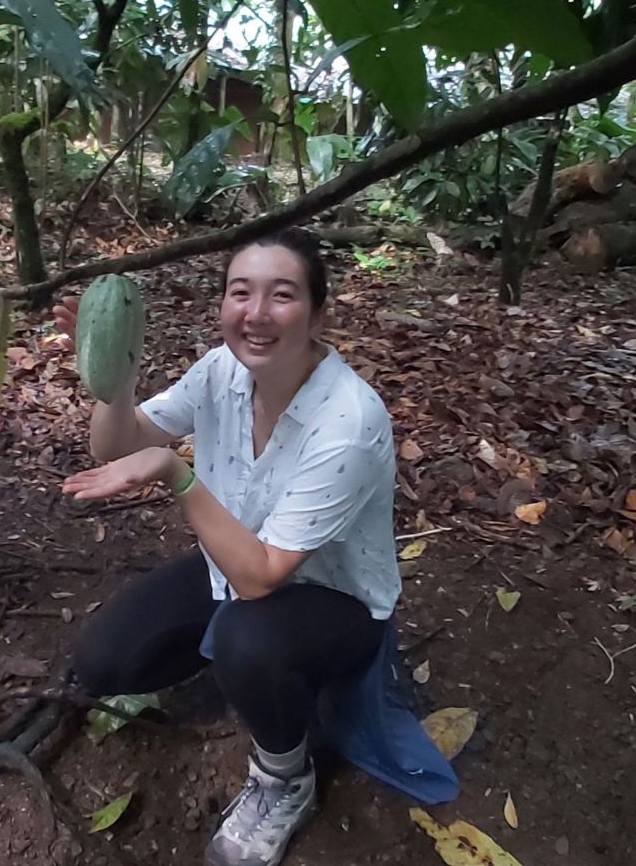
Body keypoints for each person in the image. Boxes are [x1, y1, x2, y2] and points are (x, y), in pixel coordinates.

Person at [54, 227, 456, 866]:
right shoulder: (220, 371)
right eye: (240, 292)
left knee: (248, 634)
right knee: (103, 662)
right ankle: (256, 680)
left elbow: (263, 577)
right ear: (223, 306)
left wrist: (175, 474)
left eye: (282, 295)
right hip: (236, 562)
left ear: (318, 314)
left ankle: (284, 778)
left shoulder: (347, 421)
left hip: (334, 599)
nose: (256, 313)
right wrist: (117, 378)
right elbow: (116, 443)